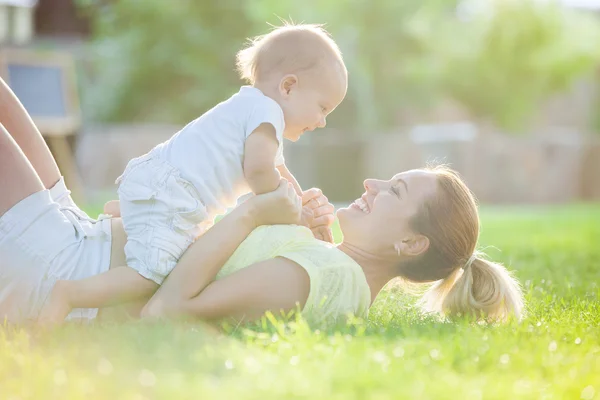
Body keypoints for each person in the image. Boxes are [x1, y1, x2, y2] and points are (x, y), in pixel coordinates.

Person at [37, 23, 348, 324]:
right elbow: (259, 172)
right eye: (322, 108)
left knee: (191, 246)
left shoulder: (255, 109)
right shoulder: (267, 116)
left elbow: (279, 171)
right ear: (289, 86)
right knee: (152, 276)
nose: (322, 122)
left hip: (165, 186)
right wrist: (289, 210)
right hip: (173, 193)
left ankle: (134, 214)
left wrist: (301, 203)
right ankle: (70, 295)